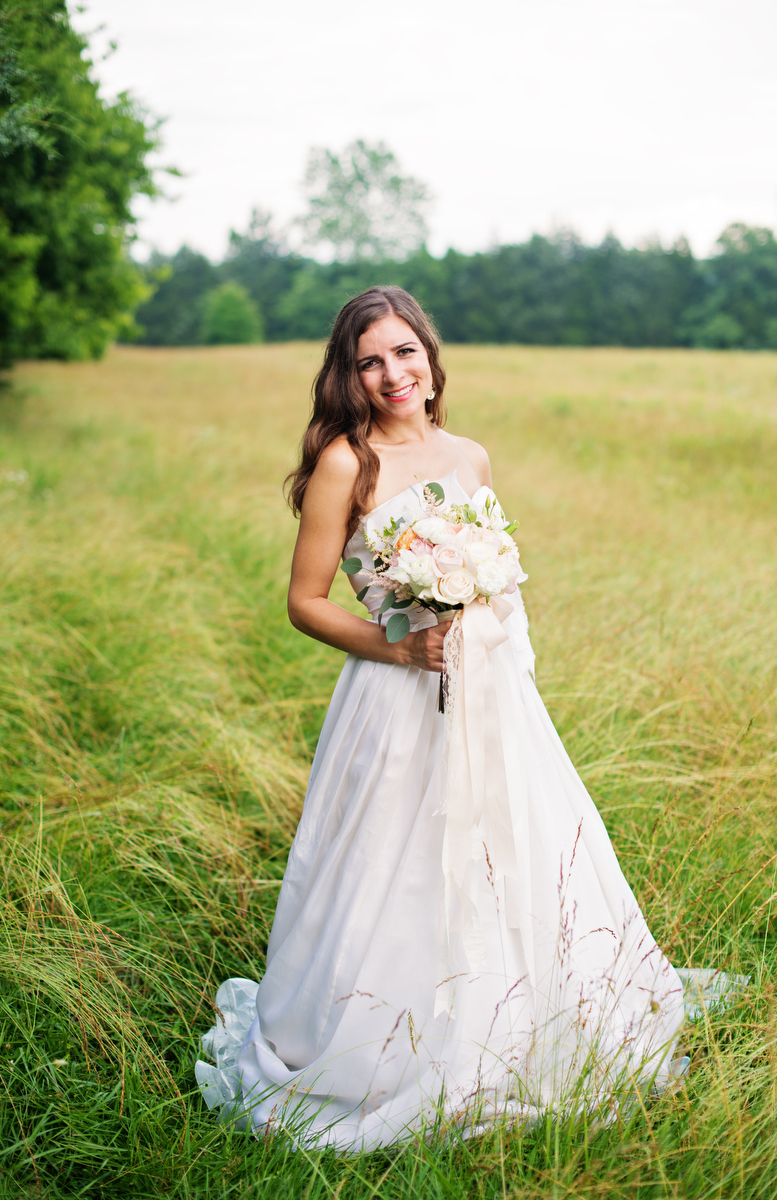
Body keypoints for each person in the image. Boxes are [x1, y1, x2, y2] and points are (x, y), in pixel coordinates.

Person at [195, 286, 691, 1150]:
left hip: (493, 696)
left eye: (405, 352)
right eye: (370, 360)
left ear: (430, 355)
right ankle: (379, 1047)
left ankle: (517, 1020)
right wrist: (399, 649)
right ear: (349, 376)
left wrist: (500, 663)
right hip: (394, 699)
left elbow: (501, 585)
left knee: (516, 851)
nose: (393, 373)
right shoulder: (346, 466)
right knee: (396, 860)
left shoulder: (470, 456)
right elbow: (304, 602)